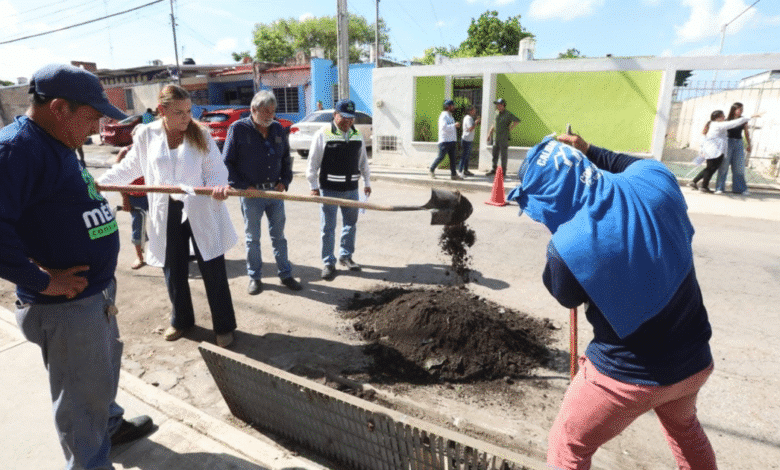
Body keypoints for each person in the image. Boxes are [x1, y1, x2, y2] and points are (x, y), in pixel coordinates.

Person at [507, 133, 718, 470]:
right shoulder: (655, 179)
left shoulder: (567, 247)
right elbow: (627, 164)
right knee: (686, 431)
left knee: (568, 446)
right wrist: (590, 149)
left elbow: (567, 297)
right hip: (694, 362)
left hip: (627, 377)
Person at [0, 63, 153, 470]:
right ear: (58, 107)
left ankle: (109, 425)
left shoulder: (55, 140)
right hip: (65, 307)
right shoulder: (16, 150)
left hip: (93, 294)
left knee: (101, 373)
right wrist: (39, 280)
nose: (95, 128)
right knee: (80, 402)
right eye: (91, 117)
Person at [98, 84, 239, 348]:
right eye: (179, 112)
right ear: (162, 111)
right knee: (173, 269)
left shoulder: (200, 134)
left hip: (200, 207)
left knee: (213, 268)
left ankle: (224, 326)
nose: (186, 118)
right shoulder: (146, 134)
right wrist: (100, 184)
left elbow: (216, 170)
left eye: (188, 111)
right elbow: (130, 167)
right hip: (166, 209)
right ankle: (181, 320)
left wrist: (219, 187)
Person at [223, 90, 302, 295]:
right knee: (253, 238)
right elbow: (227, 162)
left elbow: (286, 158)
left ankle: (285, 274)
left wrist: (284, 181)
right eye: (266, 111)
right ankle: (255, 277)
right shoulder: (238, 129)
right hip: (251, 195)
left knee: (279, 237)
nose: (270, 116)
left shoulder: (277, 128)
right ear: (253, 109)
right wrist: (243, 186)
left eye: (273, 111)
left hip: (275, 193)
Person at [306, 99, 372, 280]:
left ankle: (346, 256)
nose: (348, 121)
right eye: (344, 117)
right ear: (335, 115)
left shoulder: (357, 134)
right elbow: (312, 163)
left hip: (352, 189)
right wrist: (313, 187)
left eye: (351, 118)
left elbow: (363, 161)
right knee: (328, 228)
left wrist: (367, 182)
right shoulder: (323, 134)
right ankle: (328, 262)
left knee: (350, 225)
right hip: (329, 190)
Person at [690, 109, 759, 193]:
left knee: (710, 168)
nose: (724, 117)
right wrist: (750, 116)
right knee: (710, 169)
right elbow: (734, 123)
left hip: (712, 151)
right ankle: (703, 186)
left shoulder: (713, 124)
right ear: (718, 118)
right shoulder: (718, 125)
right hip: (715, 152)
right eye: (723, 116)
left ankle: (695, 182)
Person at [115, 143, 148, 269]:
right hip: (135, 196)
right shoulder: (125, 152)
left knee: (161, 226)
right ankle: (140, 257)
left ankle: (160, 254)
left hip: (153, 194)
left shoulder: (152, 148)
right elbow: (118, 177)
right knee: (137, 226)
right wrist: (125, 198)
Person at [715, 102, 752, 195]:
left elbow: (746, 132)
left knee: (739, 167)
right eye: (740, 109)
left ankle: (740, 189)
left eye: (742, 109)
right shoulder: (727, 120)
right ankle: (719, 188)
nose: (741, 111)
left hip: (739, 143)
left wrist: (749, 144)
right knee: (724, 166)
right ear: (734, 110)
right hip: (728, 143)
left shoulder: (743, 120)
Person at [429, 99, 462, 180]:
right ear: (448, 107)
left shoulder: (450, 116)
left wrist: (455, 128)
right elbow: (443, 127)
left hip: (452, 141)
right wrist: (454, 125)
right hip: (445, 141)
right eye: (452, 106)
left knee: (453, 159)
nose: (454, 107)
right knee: (441, 157)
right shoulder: (443, 116)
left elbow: (451, 128)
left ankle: (453, 175)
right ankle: (431, 169)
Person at [486, 98, 520, 177]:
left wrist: (510, 129)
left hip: (503, 138)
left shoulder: (508, 114)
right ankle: (494, 169)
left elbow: (517, 121)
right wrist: (489, 134)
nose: (498, 106)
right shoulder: (496, 113)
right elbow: (494, 124)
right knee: (494, 155)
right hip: (496, 138)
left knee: (503, 156)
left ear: (503, 105)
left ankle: (503, 171)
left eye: (499, 105)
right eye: (497, 105)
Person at [458, 105, 480, 177]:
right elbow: (470, 129)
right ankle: (460, 171)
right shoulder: (468, 118)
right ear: (470, 111)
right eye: (474, 110)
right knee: (464, 156)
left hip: (468, 139)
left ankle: (466, 171)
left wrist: (475, 123)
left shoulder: (469, 118)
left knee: (467, 156)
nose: (475, 111)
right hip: (466, 140)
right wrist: (475, 122)